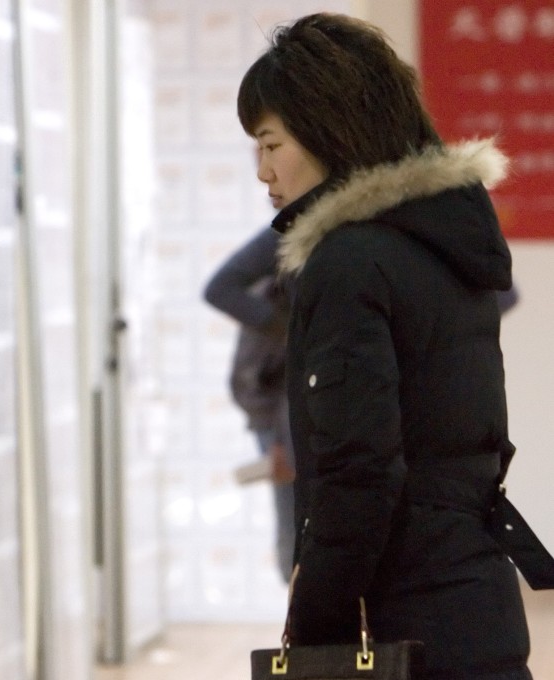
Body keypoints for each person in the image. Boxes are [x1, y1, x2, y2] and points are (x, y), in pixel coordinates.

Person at [237, 13, 534, 679]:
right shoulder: (446, 247)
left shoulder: (349, 263)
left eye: (269, 143)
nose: (263, 172)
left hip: (406, 626)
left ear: (323, 129)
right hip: (478, 604)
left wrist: (313, 627)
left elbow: (360, 475)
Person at [203, 225, 295, 583]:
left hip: (284, 413)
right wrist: (288, 327)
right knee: (294, 539)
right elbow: (218, 289)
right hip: (277, 414)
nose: (265, 173)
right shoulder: (288, 236)